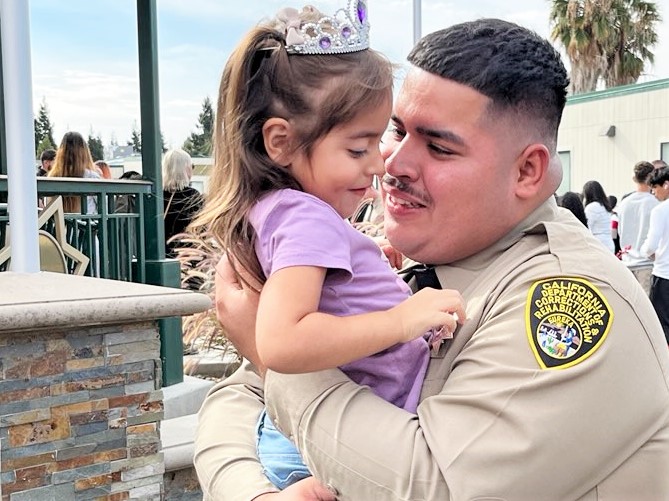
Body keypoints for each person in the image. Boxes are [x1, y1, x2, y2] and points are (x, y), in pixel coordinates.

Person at [195, 18, 669, 500]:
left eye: (438, 147)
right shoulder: (420, 263)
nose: (391, 164)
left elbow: (435, 486)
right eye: (393, 131)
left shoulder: (564, 298)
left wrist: (278, 360)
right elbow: (238, 397)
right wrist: (252, 492)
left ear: (527, 171)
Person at [189, 2, 465, 491]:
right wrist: (401, 319)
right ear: (281, 142)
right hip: (315, 457)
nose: (378, 165)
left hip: (308, 435)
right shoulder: (307, 218)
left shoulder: (284, 210)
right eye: (358, 149)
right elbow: (282, 341)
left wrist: (362, 257)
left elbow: (318, 296)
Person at [641, 166, 669, 343]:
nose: (653, 192)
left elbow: (651, 245)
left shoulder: (660, 210)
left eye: (655, 188)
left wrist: (647, 252)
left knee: (662, 325)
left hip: (664, 274)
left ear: (666, 185)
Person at [162, 149, 204, 258]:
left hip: (160, 255)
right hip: (186, 256)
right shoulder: (192, 196)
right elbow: (201, 230)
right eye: (192, 166)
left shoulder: (154, 196)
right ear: (185, 168)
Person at [616, 160, 658, 264]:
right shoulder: (656, 203)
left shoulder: (624, 203)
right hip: (648, 261)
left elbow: (620, 232)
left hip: (627, 261)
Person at [48, 131, 101, 213]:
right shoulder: (91, 177)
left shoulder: (52, 177)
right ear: (84, 152)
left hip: (61, 224)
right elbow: (105, 207)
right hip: (88, 223)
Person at [582, 180, 615, 252]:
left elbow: (587, 228)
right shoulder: (606, 206)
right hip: (609, 242)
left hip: (598, 243)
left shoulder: (591, 207)